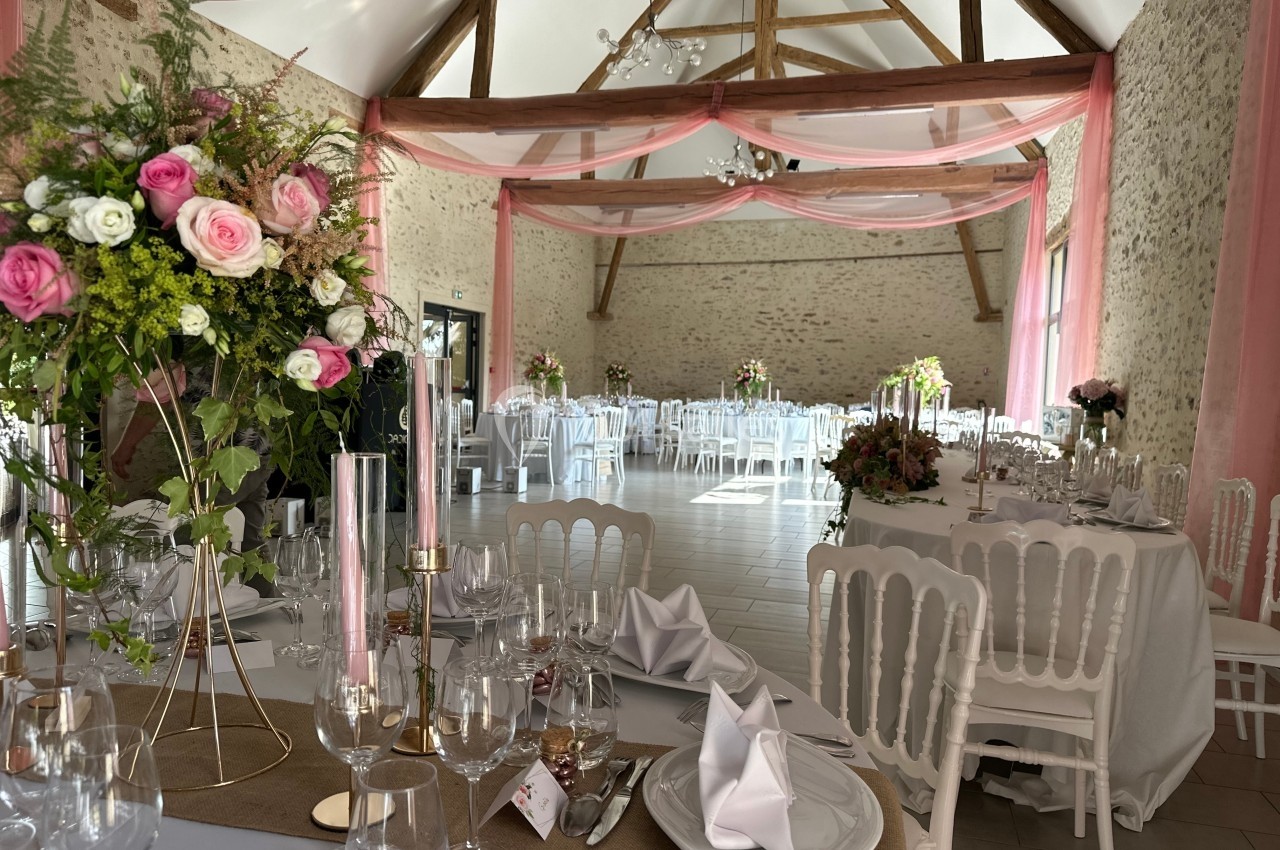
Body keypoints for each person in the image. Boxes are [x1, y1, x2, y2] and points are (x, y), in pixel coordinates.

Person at [111, 365, 276, 597]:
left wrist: (127, 445)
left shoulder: (182, 343)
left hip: (214, 459)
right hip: (257, 449)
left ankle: (192, 612)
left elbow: (158, 396)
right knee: (249, 538)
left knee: (190, 539)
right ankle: (270, 608)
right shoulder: (242, 341)